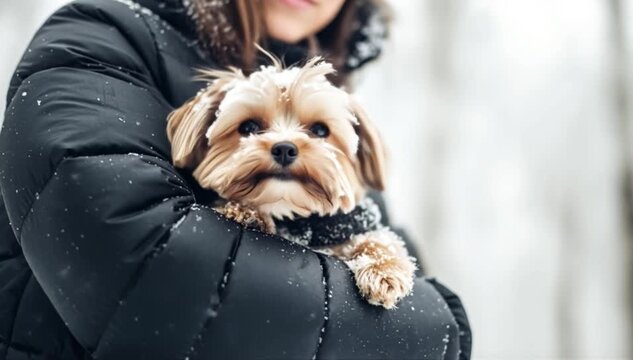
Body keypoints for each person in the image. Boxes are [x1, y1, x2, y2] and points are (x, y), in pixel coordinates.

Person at [0, 0, 472, 359]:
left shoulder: (348, 162)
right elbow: (155, 276)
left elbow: (429, 315)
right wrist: (426, 330)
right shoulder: (100, 39)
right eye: (250, 127)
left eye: (318, 130)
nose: (285, 145)